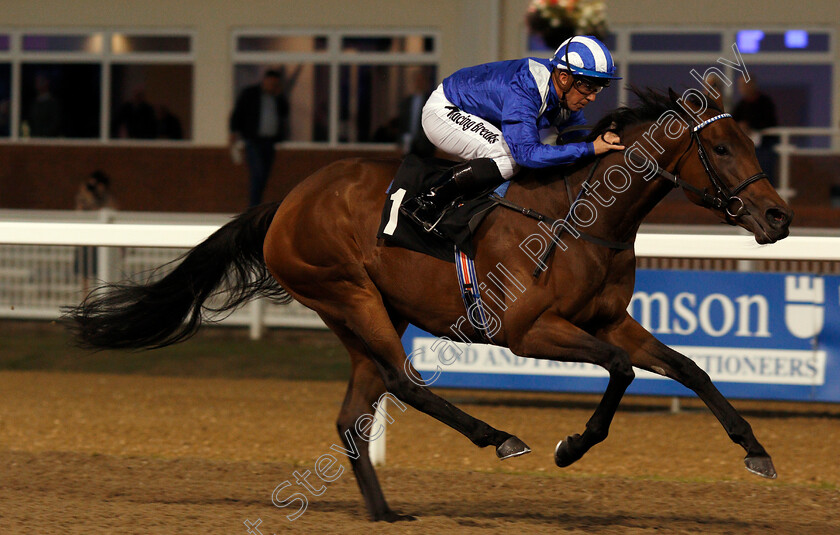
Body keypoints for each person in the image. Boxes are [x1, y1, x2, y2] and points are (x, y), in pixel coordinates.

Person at [405, 35, 624, 228]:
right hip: (445, 110)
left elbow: (577, 143)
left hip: (475, 115)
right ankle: (428, 201)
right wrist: (589, 147)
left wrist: (602, 143)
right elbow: (527, 154)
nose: (593, 96)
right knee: (509, 158)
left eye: (598, 88)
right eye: (587, 86)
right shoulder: (526, 88)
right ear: (564, 77)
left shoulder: (566, 97)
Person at [229, 67, 301, 207]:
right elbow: (238, 113)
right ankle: (253, 207)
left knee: (265, 175)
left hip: (270, 142)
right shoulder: (250, 94)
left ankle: (257, 205)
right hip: (254, 140)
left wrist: (280, 95)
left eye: (275, 84)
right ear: (265, 81)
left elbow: (285, 112)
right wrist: (233, 132)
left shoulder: (277, 97)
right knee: (258, 173)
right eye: (271, 83)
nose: (272, 86)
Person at [732, 77, 778, 178]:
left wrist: (750, 126)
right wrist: (740, 126)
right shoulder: (741, 105)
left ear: (753, 85)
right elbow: (732, 121)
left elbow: (770, 122)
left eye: (745, 85)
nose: (743, 88)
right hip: (746, 144)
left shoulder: (765, 102)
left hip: (764, 144)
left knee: (763, 165)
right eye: (741, 86)